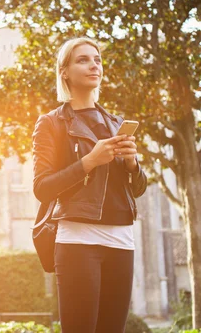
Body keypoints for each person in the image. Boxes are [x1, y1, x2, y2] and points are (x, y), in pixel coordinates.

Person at [31, 37, 148, 333]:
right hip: (77, 240)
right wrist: (89, 162)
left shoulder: (115, 122)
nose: (93, 65)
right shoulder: (52, 123)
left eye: (96, 59)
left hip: (122, 239)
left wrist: (133, 164)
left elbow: (136, 189)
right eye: (82, 59)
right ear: (65, 72)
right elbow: (42, 187)